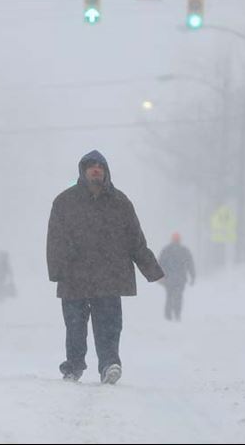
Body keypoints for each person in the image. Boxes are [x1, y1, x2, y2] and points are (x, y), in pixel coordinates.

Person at [47, 150, 164, 384]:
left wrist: (152, 270)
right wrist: (57, 270)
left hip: (109, 276)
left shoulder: (120, 203)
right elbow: (55, 240)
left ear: (106, 171)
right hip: (74, 276)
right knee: (74, 327)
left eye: (100, 166)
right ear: (83, 171)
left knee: (109, 326)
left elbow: (135, 240)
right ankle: (74, 366)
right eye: (91, 166)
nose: (96, 169)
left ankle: (110, 364)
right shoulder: (65, 202)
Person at [158, 232, 196, 322]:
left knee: (169, 296)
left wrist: (159, 276)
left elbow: (160, 264)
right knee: (178, 296)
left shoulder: (166, 250)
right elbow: (190, 264)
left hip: (168, 279)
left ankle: (168, 316)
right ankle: (177, 314)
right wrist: (192, 276)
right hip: (180, 279)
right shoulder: (184, 251)